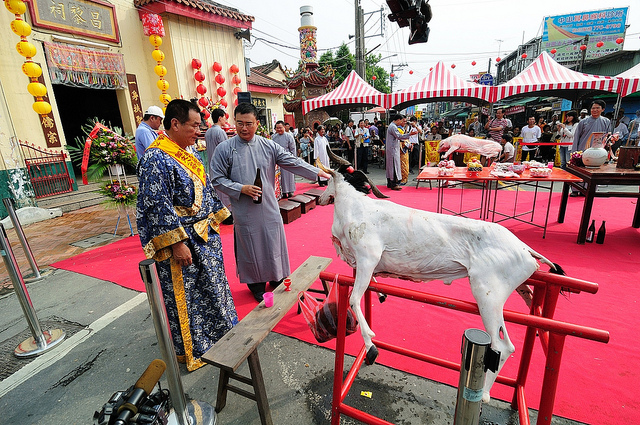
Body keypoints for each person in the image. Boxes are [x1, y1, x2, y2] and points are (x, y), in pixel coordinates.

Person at [136, 99, 237, 371]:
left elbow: (205, 192)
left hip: (205, 237)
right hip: (182, 242)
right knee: (189, 297)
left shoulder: (187, 152)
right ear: (175, 124)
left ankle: (220, 337)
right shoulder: (155, 158)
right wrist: (178, 243)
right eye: (194, 125)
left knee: (213, 289)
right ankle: (195, 350)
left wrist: (223, 216)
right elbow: (157, 206)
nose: (198, 130)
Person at [211, 103, 330, 302]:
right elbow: (216, 179)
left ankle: (276, 277)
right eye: (239, 123)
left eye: (249, 123)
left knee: (273, 241)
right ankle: (256, 284)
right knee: (251, 244)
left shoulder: (268, 145)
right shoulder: (225, 149)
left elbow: (291, 161)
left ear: (257, 123)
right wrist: (241, 188)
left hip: (268, 205)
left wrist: (318, 172)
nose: (244, 128)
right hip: (244, 209)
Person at [205, 108, 232, 217]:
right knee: (225, 191)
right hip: (221, 165)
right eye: (224, 118)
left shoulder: (208, 132)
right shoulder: (220, 132)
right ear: (220, 118)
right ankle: (227, 214)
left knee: (217, 191)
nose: (225, 120)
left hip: (211, 163)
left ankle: (219, 213)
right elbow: (226, 150)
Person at [386, 114, 417, 190]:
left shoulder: (392, 126)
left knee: (391, 166)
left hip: (392, 149)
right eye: (402, 121)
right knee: (394, 166)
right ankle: (394, 183)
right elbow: (399, 136)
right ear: (398, 120)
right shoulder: (393, 127)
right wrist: (409, 134)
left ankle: (390, 182)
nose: (402, 122)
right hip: (393, 149)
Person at [272, 120, 297, 198]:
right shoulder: (273, 137)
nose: (279, 129)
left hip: (287, 158)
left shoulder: (289, 136)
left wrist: (293, 158)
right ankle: (282, 192)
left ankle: (290, 191)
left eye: (280, 128)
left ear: (284, 127)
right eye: (277, 128)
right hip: (278, 160)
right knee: (280, 177)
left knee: (288, 176)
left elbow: (293, 148)